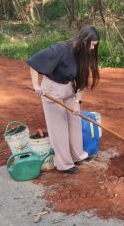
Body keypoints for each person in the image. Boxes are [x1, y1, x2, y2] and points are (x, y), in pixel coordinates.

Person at [27, 25, 100, 174]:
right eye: (92, 45)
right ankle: (64, 164)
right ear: (84, 40)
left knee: (75, 122)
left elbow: (82, 81)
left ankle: (77, 156)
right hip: (53, 90)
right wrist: (36, 85)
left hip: (70, 89)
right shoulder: (61, 48)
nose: (93, 48)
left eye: (95, 45)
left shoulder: (84, 55)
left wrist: (77, 103)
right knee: (58, 127)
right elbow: (34, 61)